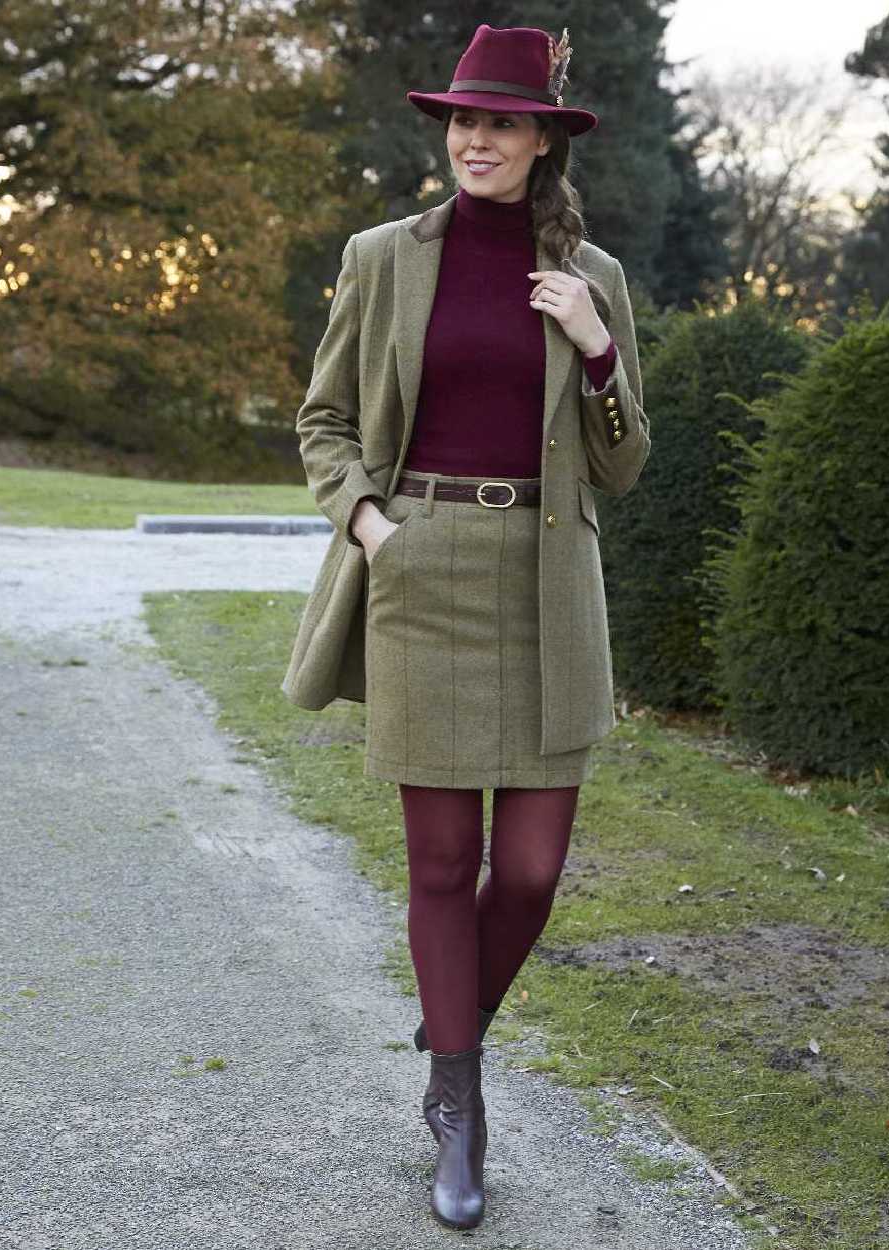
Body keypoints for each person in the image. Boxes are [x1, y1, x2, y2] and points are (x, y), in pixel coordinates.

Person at [283, 22, 650, 1232]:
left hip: (548, 581)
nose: (474, 138)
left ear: (543, 139)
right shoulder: (384, 256)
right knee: (443, 864)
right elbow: (322, 420)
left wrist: (596, 353)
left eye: (499, 121)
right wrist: (375, 528)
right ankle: (459, 1103)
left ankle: (451, 1037)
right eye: (461, 119)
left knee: (533, 870)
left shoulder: (592, 275)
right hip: (422, 568)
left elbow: (626, 464)